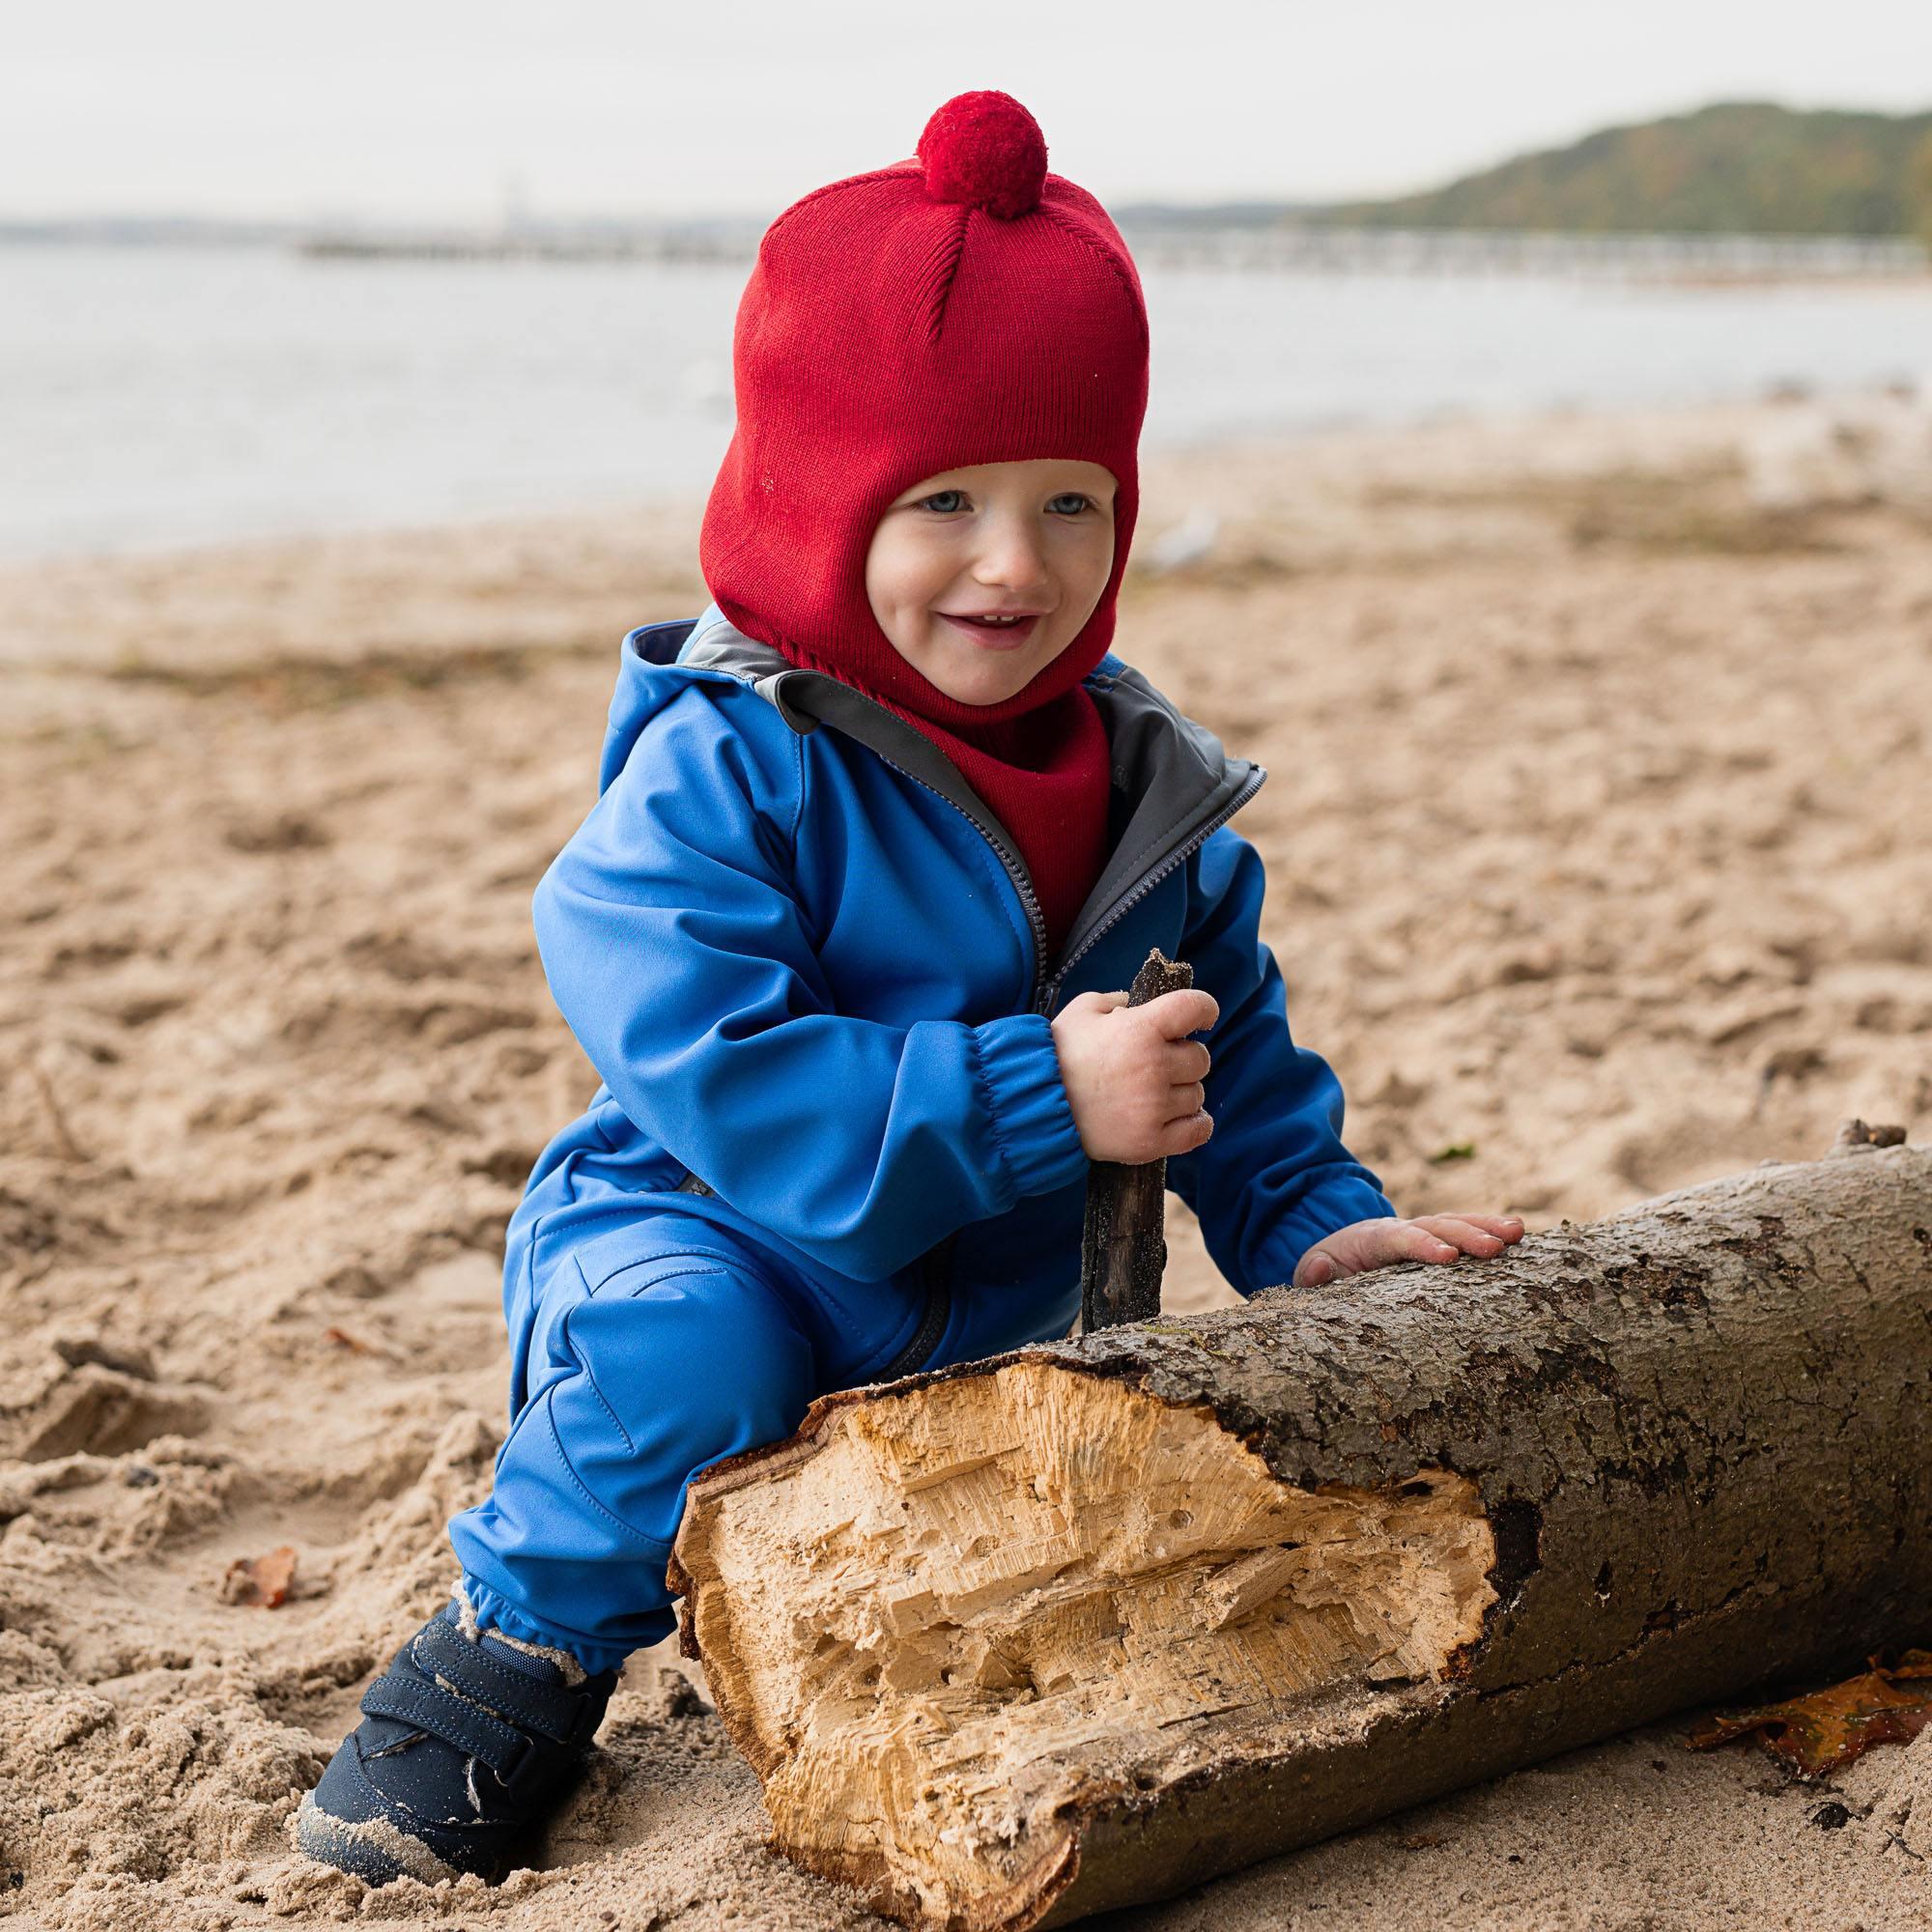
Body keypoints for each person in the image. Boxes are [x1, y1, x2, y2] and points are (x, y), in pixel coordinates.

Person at [296, 88, 1523, 1888]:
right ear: (816, 492)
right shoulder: (735, 762)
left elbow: (1227, 1049)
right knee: (680, 1368)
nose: (1012, 562)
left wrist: (1309, 1217)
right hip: (721, 1234)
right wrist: (1039, 1095)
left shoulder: (1145, 786)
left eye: (1070, 501)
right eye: (940, 499)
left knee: (1073, 1513)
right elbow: (698, 1044)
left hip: (1008, 1305)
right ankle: (507, 1664)